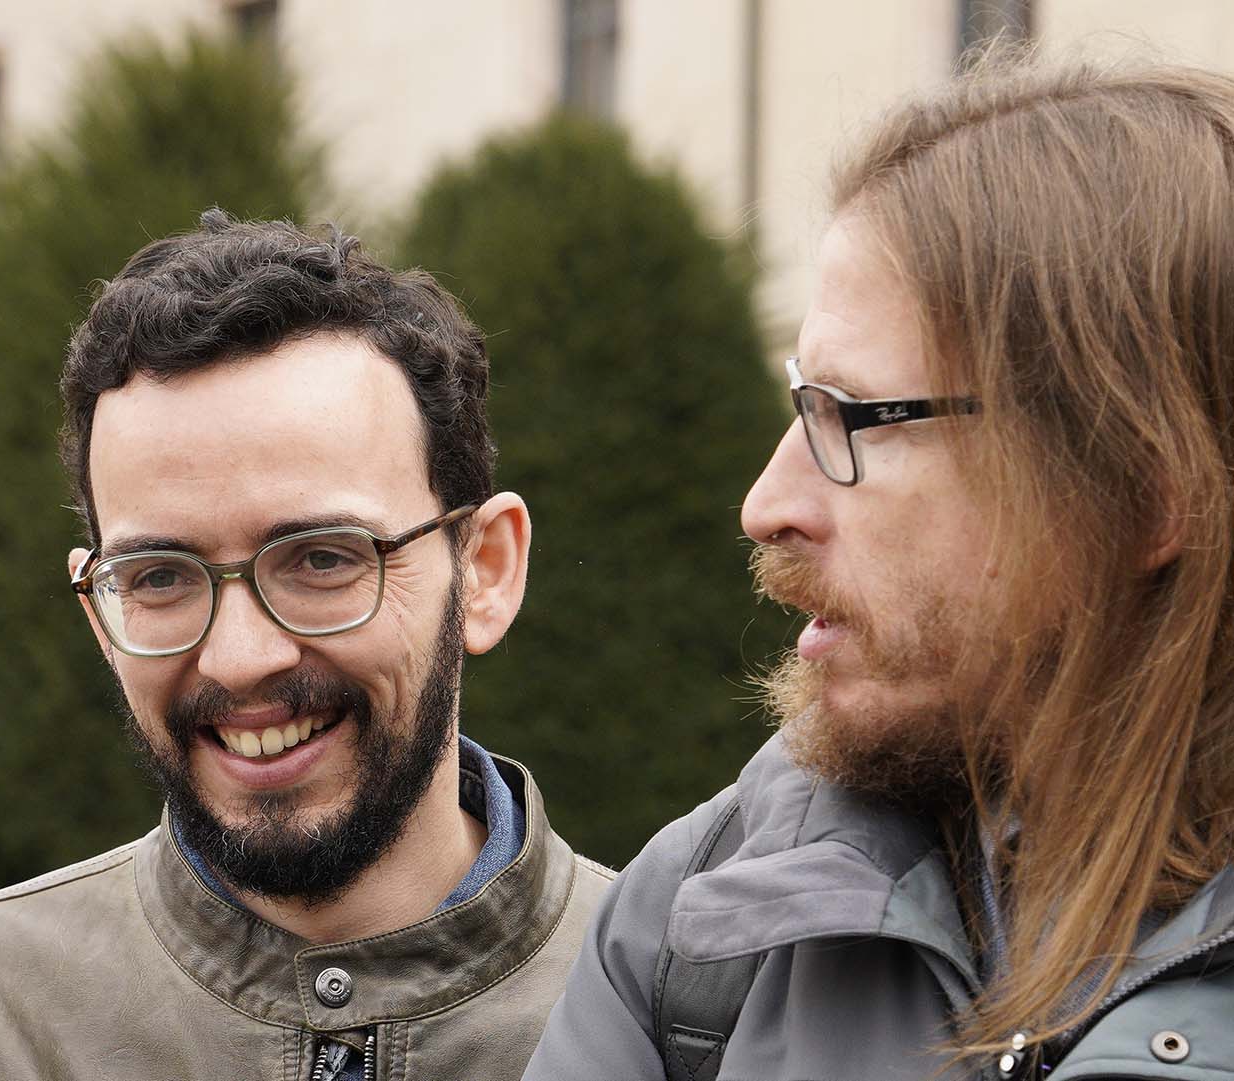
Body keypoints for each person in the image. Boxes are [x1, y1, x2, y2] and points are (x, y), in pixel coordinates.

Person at [525, 54, 1234, 1081]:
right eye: (799, 401)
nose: (766, 507)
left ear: (1144, 494)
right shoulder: (705, 915)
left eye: (855, 418)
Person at [0, 213, 613, 1081]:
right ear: (100, 613)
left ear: (484, 569)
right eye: (160, 577)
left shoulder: (708, 1027)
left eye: (322, 559)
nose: (238, 657)